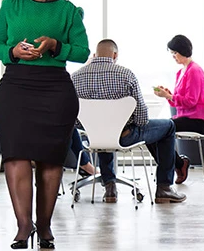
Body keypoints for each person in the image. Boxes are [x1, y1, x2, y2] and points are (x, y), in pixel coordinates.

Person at [0, 0, 90, 250]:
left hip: (55, 90)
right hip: (15, 87)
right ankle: (24, 226)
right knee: (16, 155)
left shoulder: (69, 11)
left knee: (50, 158)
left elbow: (82, 52)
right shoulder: (10, 6)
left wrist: (55, 45)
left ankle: (45, 226)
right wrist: (12, 52)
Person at [71, 39, 187, 204]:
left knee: (103, 133)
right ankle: (164, 188)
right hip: (125, 136)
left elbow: (75, 120)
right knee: (169, 126)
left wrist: (94, 126)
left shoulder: (76, 77)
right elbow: (141, 118)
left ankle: (109, 187)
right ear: (115, 55)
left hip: (94, 138)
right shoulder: (126, 75)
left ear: (95, 55)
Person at [154, 34, 204, 183]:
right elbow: (180, 101)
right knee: (154, 131)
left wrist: (170, 96)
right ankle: (178, 164)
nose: (173, 56)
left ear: (182, 51)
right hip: (185, 117)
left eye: (174, 53)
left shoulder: (194, 71)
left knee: (158, 131)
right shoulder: (181, 72)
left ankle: (173, 167)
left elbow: (191, 101)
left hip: (197, 120)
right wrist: (168, 95)